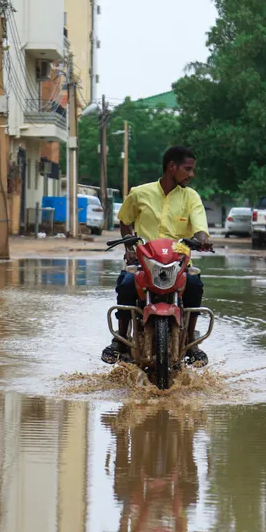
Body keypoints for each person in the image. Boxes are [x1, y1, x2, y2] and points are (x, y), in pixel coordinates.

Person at [102, 145, 213, 366]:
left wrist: (203, 239)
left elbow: (200, 226)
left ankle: (191, 341)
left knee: (194, 284)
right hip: (145, 262)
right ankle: (121, 340)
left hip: (178, 263)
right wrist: (130, 249)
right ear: (172, 167)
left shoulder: (191, 197)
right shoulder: (139, 193)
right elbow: (125, 220)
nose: (191, 175)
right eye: (188, 169)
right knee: (126, 283)